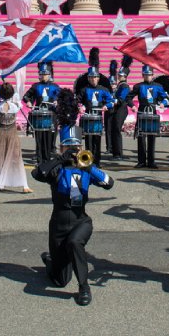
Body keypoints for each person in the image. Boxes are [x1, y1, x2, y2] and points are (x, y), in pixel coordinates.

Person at [32, 92, 114, 306]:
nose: (74, 151)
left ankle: (84, 288)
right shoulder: (56, 169)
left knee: (75, 242)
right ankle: (50, 261)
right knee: (59, 280)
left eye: (76, 148)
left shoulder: (86, 168)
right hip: (58, 224)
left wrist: (89, 166)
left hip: (80, 221)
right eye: (70, 148)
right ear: (61, 148)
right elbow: (37, 173)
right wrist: (60, 158)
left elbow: (108, 182)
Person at [0, 82, 31, 192]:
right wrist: (15, 98)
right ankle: (24, 185)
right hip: (12, 132)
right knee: (16, 157)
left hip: (0, 132)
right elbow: (19, 106)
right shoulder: (15, 107)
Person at [128, 64, 169, 169]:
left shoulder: (158, 86)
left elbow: (166, 99)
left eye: (150, 75)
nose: (148, 76)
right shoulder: (138, 86)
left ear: (153, 75)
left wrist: (163, 103)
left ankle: (151, 161)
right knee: (141, 137)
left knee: (152, 137)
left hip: (153, 112)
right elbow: (128, 98)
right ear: (143, 75)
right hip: (142, 112)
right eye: (146, 74)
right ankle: (141, 161)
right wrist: (133, 106)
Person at [75, 50, 115, 164]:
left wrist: (107, 106)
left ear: (98, 78)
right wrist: (80, 106)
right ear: (88, 78)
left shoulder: (104, 89)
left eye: (95, 77)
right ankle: (88, 161)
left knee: (97, 140)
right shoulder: (84, 90)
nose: (93, 79)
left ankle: (97, 162)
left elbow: (111, 101)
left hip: (97, 116)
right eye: (91, 77)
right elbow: (77, 100)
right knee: (88, 140)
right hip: (88, 116)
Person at [23, 62, 61, 165]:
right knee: (39, 138)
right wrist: (29, 102)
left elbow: (62, 96)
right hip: (39, 116)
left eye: (46, 74)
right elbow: (26, 96)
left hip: (51, 116)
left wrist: (57, 101)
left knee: (50, 138)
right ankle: (39, 159)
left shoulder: (55, 86)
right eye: (42, 74)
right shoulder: (36, 86)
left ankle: (48, 158)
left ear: (50, 75)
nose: (44, 76)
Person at [107, 57, 132, 160]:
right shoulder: (120, 85)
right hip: (117, 109)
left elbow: (121, 99)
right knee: (114, 129)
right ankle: (115, 152)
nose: (119, 76)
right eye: (119, 75)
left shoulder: (124, 86)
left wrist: (113, 101)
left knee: (117, 129)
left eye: (120, 75)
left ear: (125, 76)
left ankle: (118, 154)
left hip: (121, 109)